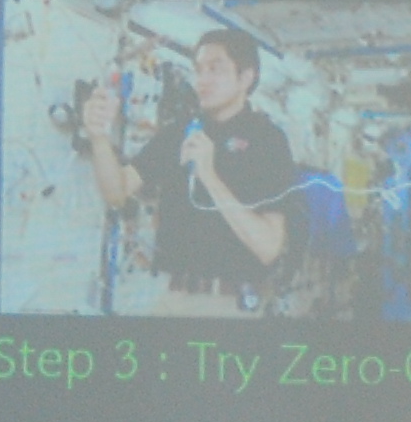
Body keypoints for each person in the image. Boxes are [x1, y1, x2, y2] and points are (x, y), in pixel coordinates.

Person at [78, 27, 297, 310]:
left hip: (230, 303)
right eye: (199, 70)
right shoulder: (177, 133)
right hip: (172, 295)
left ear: (246, 77)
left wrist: (209, 175)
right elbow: (117, 193)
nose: (202, 80)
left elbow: (268, 248)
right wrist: (99, 138)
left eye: (215, 69)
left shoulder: (267, 141)